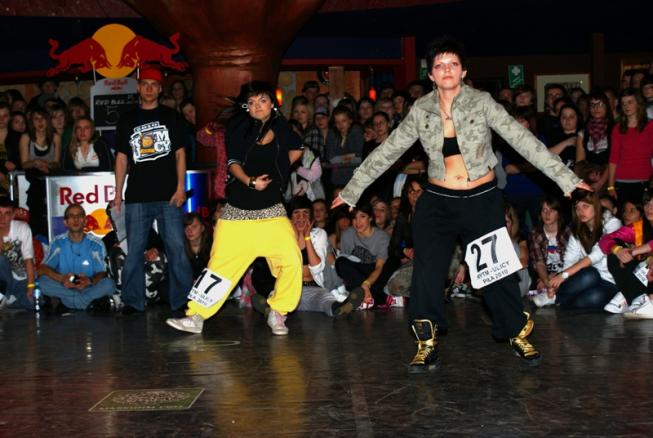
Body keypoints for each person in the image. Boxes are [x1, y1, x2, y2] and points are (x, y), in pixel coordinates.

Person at [332, 36, 588, 372]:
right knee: (427, 272)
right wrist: (352, 189)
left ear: (463, 71)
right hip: (438, 200)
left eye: (453, 64)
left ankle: (515, 332)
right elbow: (388, 150)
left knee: (496, 273)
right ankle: (427, 340)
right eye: (439, 65)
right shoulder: (421, 109)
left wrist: (565, 178)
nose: (447, 70)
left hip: (480, 199)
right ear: (431, 74)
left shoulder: (482, 102)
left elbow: (522, 140)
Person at [167, 80, 304, 335]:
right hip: (238, 214)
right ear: (246, 107)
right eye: (251, 102)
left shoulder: (281, 126)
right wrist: (251, 181)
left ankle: (278, 311)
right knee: (219, 267)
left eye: (262, 100)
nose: (257, 106)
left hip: (272, 214)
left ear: (272, 103)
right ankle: (196, 316)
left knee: (292, 260)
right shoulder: (239, 127)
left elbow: (298, 149)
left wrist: (279, 170)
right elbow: (233, 163)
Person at [113, 67, 193, 315]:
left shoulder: (172, 116)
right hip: (137, 195)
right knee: (134, 251)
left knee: (177, 249)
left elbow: (180, 154)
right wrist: (117, 193)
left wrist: (180, 187)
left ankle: (183, 300)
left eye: (153, 84)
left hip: (169, 194)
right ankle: (132, 301)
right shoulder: (127, 119)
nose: (148, 88)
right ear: (138, 87)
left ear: (159, 89)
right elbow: (121, 158)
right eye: (144, 84)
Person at [253, 196, 362, 318]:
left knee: (326, 301)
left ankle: (341, 308)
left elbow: (317, 267)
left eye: (305, 212)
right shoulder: (282, 236)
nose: (301, 217)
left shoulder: (319, 234)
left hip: (313, 288)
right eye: (296, 213)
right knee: (278, 299)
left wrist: (307, 237)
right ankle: (270, 310)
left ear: (310, 216)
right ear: (290, 217)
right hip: (289, 288)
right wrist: (293, 234)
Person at [538, 190, 621, 309]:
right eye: (577, 208)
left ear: (596, 206)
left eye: (585, 206)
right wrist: (559, 282)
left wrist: (563, 276)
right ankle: (556, 297)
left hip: (610, 280)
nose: (580, 211)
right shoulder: (577, 230)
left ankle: (559, 300)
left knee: (594, 297)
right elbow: (569, 261)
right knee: (590, 274)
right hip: (588, 277)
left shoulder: (613, 224)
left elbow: (597, 254)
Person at [38, 203, 115, 312]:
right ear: (65, 222)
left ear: (85, 221)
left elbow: (102, 272)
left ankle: (67, 303)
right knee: (42, 282)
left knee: (109, 284)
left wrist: (89, 280)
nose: (75, 219)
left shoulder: (96, 244)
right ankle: (87, 303)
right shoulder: (57, 242)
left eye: (79, 216)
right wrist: (62, 278)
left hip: (88, 288)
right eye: (71, 216)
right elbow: (42, 269)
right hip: (64, 287)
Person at [600, 192, 653, 317]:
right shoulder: (639, 227)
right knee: (615, 252)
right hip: (644, 277)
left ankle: (637, 298)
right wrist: (618, 251)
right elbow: (605, 240)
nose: (649, 208)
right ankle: (635, 299)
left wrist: (635, 252)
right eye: (647, 204)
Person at [335, 204, 391, 309]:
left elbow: (379, 267)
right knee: (340, 262)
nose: (358, 222)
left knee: (391, 262)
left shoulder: (382, 237)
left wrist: (366, 284)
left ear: (370, 218)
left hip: (374, 273)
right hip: (357, 273)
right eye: (354, 218)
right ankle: (374, 297)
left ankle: (365, 295)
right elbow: (345, 265)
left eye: (362, 216)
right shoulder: (347, 234)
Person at [607, 88, 653, 204]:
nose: (626, 106)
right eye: (623, 103)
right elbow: (613, 158)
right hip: (621, 180)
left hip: (644, 179)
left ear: (638, 103)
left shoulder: (650, 126)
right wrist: (610, 185)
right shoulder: (617, 128)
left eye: (630, 102)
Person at [528, 196, 571, 297]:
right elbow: (539, 263)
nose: (547, 214)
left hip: (565, 270)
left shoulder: (567, 232)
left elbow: (573, 261)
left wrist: (555, 276)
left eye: (552, 210)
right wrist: (547, 282)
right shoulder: (535, 234)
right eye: (544, 210)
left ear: (558, 214)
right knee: (534, 291)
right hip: (544, 272)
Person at [0, 197, 36, 310]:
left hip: (21, 279)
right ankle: (6, 296)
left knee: (34, 302)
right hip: (2, 279)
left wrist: (31, 286)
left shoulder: (22, 228)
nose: (2, 218)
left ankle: (9, 299)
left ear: (13, 215)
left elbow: (28, 260)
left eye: (7, 213)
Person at [183, 212, 212, 281]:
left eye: (194, 226)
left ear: (202, 228)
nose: (189, 231)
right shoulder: (181, 248)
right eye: (186, 227)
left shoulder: (212, 246)